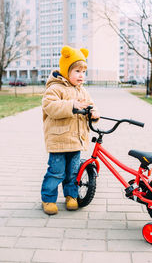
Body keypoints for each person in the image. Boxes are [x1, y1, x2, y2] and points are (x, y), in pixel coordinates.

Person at [41, 45, 100, 215]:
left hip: (76, 141)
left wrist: (94, 113)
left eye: (83, 71)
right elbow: (50, 106)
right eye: (77, 71)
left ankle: (71, 196)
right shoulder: (55, 88)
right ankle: (48, 199)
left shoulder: (83, 91)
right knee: (56, 172)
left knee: (73, 173)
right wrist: (71, 105)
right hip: (59, 141)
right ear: (66, 71)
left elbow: (90, 105)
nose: (81, 75)